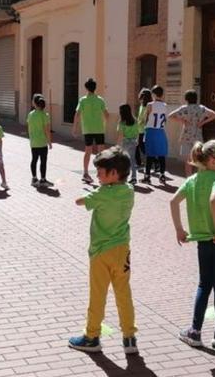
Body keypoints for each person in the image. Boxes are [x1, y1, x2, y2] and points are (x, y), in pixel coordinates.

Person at [68, 146, 138, 355]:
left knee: (97, 295)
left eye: (101, 172)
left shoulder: (101, 194)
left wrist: (89, 193)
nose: (97, 176)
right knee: (123, 294)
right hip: (122, 249)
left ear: (114, 173)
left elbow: (79, 201)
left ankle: (92, 336)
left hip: (100, 252)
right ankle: (129, 338)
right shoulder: (129, 191)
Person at [169, 139, 215, 349]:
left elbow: (173, 201)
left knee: (204, 285)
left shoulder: (193, 180)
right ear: (214, 161)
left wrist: (179, 229)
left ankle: (195, 331)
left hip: (202, 241)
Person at [168, 89, 215, 177]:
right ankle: (199, 177)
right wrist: (202, 122)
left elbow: (170, 116)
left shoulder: (184, 108)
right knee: (199, 158)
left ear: (186, 99)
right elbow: (214, 114)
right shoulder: (201, 108)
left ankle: (189, 177)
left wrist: (182, 120)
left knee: (188, 159)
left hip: (186, 135)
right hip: (197, 136)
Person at [72, 78, 109, 183]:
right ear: (95, 88)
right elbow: (107, 115)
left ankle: (85, 173)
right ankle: (102, 175)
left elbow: (77, 114)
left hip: (87, 129)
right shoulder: (100, 100)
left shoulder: (82, 100)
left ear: (86, 88)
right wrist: (104, 124)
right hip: (99, 129)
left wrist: (75, 127)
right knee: (101, 152)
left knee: (88, 151)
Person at [142, 85, 168, 183]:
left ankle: (147, 176)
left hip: (151, 131)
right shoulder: (165, 105)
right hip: (161, 131)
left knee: (150, 154)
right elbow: (165, 121)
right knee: (161, 155)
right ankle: (162, 175)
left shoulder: (150, 104)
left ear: (153, 94)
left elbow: (146, 118)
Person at [27, 94, 53, 187]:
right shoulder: (45, 115)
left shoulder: (30, 114)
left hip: (34, 142)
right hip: (42, 143)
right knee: (43, 161)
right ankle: (43, 179)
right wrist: (49, 142)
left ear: (34, 103)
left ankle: (34, 178)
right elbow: (47, 130)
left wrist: (31, 138)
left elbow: (29, 128)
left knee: (34, 160)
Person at [117, 104, 140, 184]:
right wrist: (137, 140)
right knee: (132, 160)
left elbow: (120, 135)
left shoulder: (122, 122)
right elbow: (138, 132)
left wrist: (118, 145)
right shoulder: (135, 120)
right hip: (133, 142)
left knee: (123, 161)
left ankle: (124, 178)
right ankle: (134, 177)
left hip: (125, 142)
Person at [136, 89, 152, 177]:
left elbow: (146, 118)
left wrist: (142, 122)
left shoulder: (148, 106)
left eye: (142, 97)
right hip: (139, 129)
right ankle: (139, 163)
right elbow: (140, 117)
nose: (141, 98)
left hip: (144, 129)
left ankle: (154, 160)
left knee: (141, 146)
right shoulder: (141, 106)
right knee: (137, 146)